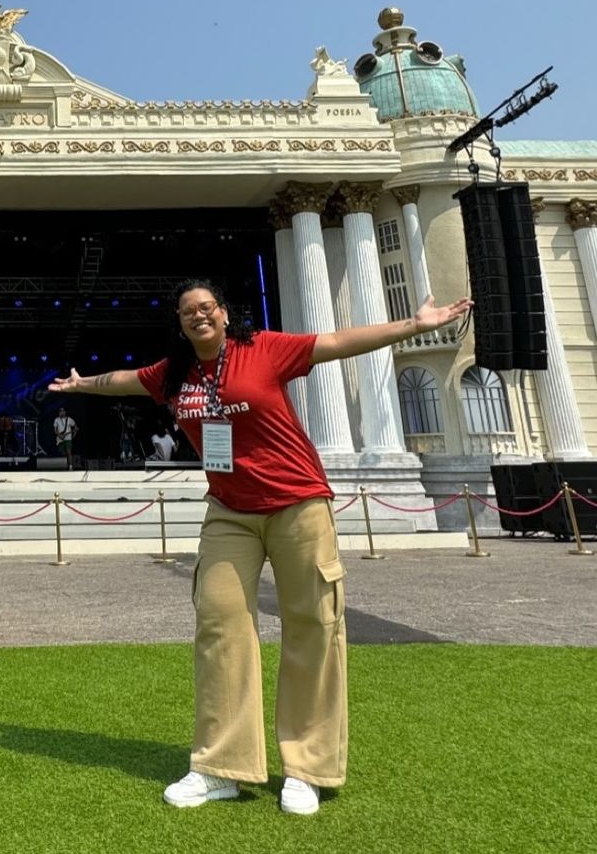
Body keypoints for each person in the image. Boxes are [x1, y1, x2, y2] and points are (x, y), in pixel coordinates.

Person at [49, 277, 469, 816]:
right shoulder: (174, 373)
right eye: (187, 312)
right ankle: (221, 767)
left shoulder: (265, 348)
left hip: (297, 502)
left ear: (224, 313)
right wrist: (84, 385)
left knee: (312, 626)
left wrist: (413, 325)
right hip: (230, 511)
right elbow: (126, 380)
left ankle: (306, 768)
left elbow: (338, 342)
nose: (198, 316)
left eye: (206, 307)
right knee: (220, 623)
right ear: (179, 323)